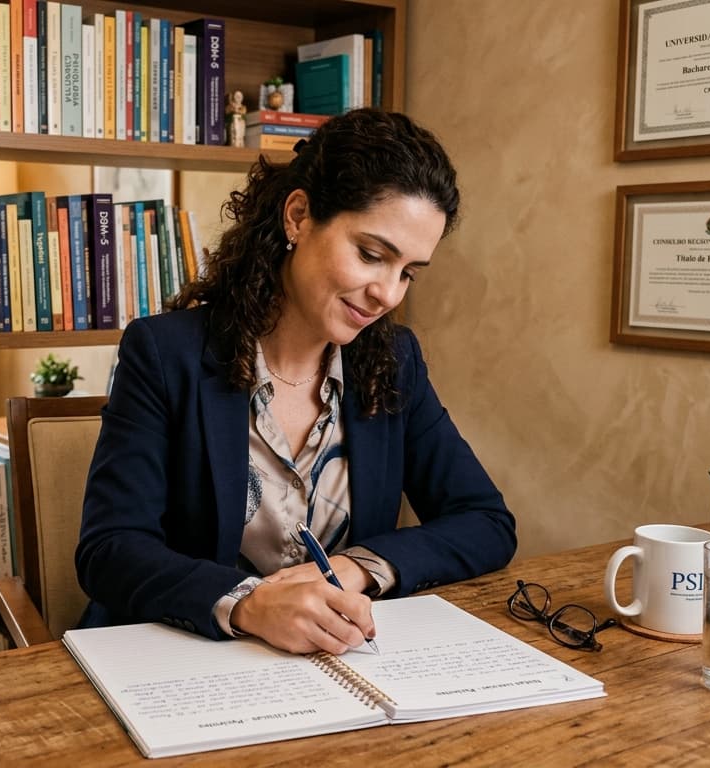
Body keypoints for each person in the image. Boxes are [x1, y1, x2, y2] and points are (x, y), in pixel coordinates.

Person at [75, 109, 516, 656]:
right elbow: (109, 550)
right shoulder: (166, 353)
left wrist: (360, 567)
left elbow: (486, 522)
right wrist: (247, 603)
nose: (388, 294)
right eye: (372, 255)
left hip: (328, 670)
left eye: (407, 271)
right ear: (299, 216)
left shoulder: (394, 362)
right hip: (182, 663)